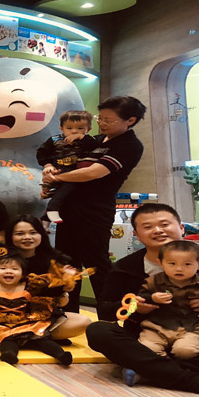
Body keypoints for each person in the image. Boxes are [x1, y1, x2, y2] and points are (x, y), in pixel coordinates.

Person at [86, 203, 199, 397]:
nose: (157, 230)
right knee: (97, 331)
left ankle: (147, 371)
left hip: (198, 344)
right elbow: (105, 311)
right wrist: (134, 308)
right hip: (144, 344)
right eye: (148, 227)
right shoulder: (124, 269)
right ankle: (197, 381)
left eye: (164, 224)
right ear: (137, 235)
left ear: (181, 228)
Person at [42, 96, 146, 312]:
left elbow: (92, 173)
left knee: (96, 265)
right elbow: (65, 160)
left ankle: (109, 316)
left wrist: (57, 178)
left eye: (109, 120)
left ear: (130, 120)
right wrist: (50, 176)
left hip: (94, 211)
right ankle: (68, 315)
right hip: (68, 207)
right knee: (66, 264)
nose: (102, 123)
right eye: (100, 118)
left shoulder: (129, 145)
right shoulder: (96, 140)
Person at [0, 253, 76, 366]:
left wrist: (66, 279)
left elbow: (51, 292)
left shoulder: (30, 286)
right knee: (6, 340)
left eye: (15, 269)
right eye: (3, 268)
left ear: (23, 274)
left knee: (42, 340)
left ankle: (61, 354)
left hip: (26, 322)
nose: (9, 271)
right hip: (0, 324)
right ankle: (9, 354)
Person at [135, 240, 199, 360]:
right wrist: (152, 298)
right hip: (156, 327)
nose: (179, 269)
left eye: (187, 264)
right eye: (172, 263)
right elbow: (140, 297)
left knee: (186, 351)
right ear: (160, 263)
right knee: (147, 349)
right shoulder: (153, 281)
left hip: (191, 329)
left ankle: (171, 364)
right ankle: (165, 365)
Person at [0, 215, 91, 341]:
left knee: (83, 322)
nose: (27, 237)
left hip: (42, 316)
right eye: (20, 233)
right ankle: (33, 337)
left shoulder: (55, 261)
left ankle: (23, 337)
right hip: (5, 316)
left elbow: (62, 302)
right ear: (10, 236)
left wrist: (66, 283)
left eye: (33, 233)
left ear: (41, 234)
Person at [36, 110, 97, 224]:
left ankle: (46, 218)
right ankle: (51, 209)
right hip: (59, 171)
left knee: (68, 193)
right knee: (62, 189)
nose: (74, 131)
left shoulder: (89, 141)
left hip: (77, 173)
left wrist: (82, 137)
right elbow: (41, 153)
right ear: (61, 128)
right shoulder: (54, 140)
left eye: (80, 128)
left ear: (88, 129)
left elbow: (95, 146)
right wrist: (47, 165)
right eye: (69, 128)